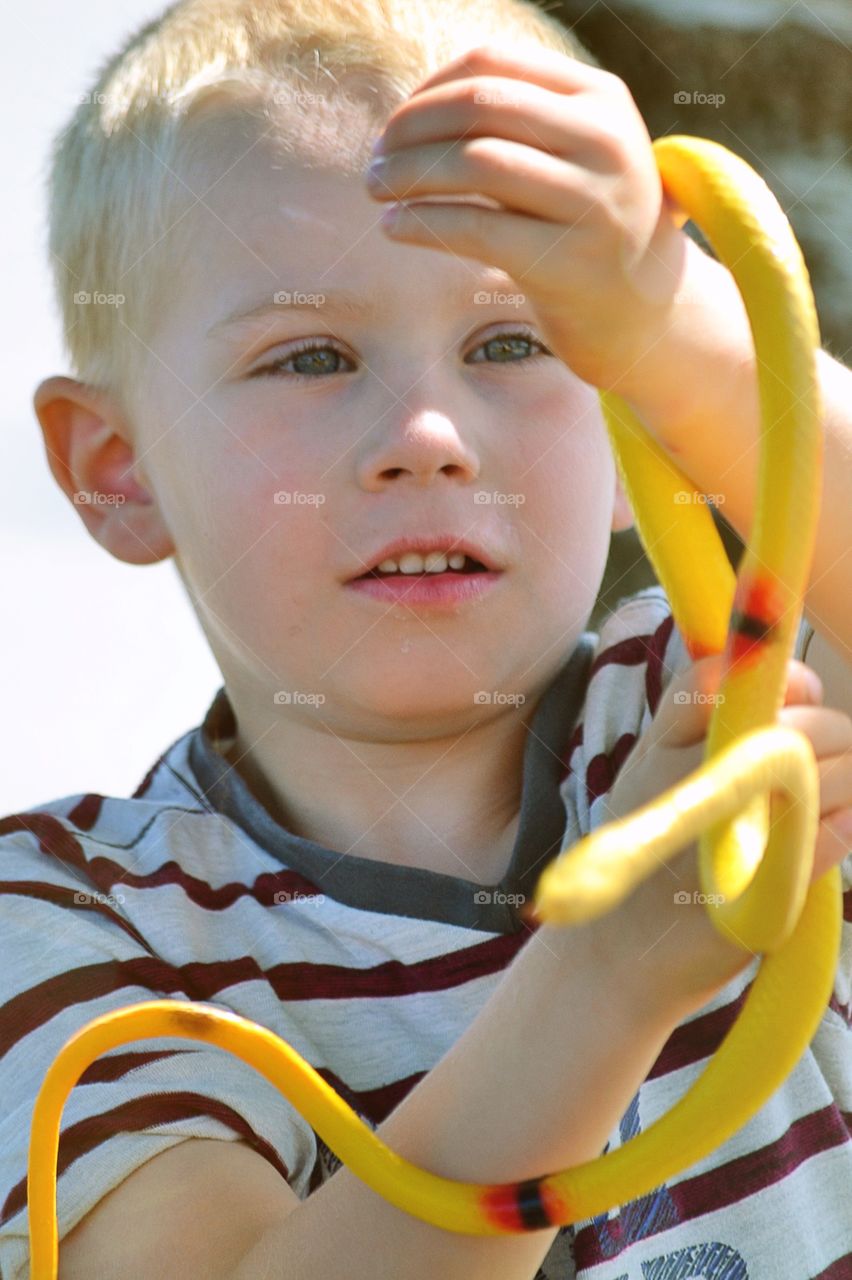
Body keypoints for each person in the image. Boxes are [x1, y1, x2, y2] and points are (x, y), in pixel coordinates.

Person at [2, 1, 851, 1277]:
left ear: (636, 425)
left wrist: (669, 321)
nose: (430, 433)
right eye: (310, 355)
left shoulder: (741, 701)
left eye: (514, 339)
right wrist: (611, 975)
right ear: (118, 468)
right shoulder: (67, 923)